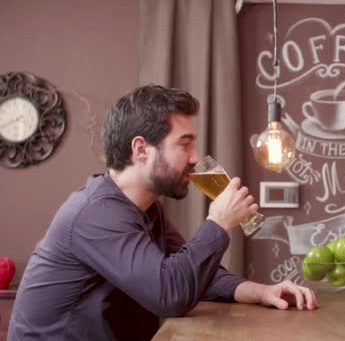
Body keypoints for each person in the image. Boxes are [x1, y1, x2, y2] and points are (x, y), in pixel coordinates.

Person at [8, 85, 317, 341]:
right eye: (185, 144)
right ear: (141, 149)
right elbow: (171, 295)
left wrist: (262, 292)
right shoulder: (95, 214)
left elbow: (192, 274)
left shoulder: (145, 208)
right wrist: (219, 222)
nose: (196, 157)